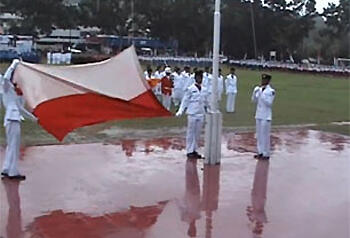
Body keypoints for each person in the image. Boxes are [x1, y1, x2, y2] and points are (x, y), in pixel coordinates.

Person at [1, 59, 38, 180]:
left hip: (14, 119)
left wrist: (34, 118)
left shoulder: (17, 92)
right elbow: (6, 78)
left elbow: (21, 109)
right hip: (12, 119)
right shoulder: (6, 88)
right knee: (14, 146)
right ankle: (13, 172)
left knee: (12, 145)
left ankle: (7, 169)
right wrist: (14, 64)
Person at [176, 70, 209, 159]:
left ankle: (194, 150)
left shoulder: (204, 89)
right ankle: (189, 151)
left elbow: (206, 102)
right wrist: (180, 111)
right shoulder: (190, 89)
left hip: (201, 113)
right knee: (191, 133)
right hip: (192, 113)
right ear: (195, 78)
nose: (200, 79)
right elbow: (185, 100)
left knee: (197, 134)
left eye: (201, 77)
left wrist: (209, 110)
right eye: (198, 77)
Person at [251, 74, 275, 160]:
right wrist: (254, 92)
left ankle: (266, 153)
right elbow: (254, 100)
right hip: (259, 114)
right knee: (259, 134)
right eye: (262, 79)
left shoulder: (271, 91)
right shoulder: (260, 89)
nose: (262, 81)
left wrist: (262, 95)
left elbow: (269, 103)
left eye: (264, 80)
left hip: (266, 115)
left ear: (268, 81)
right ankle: (260, 152)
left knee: (265, 135)